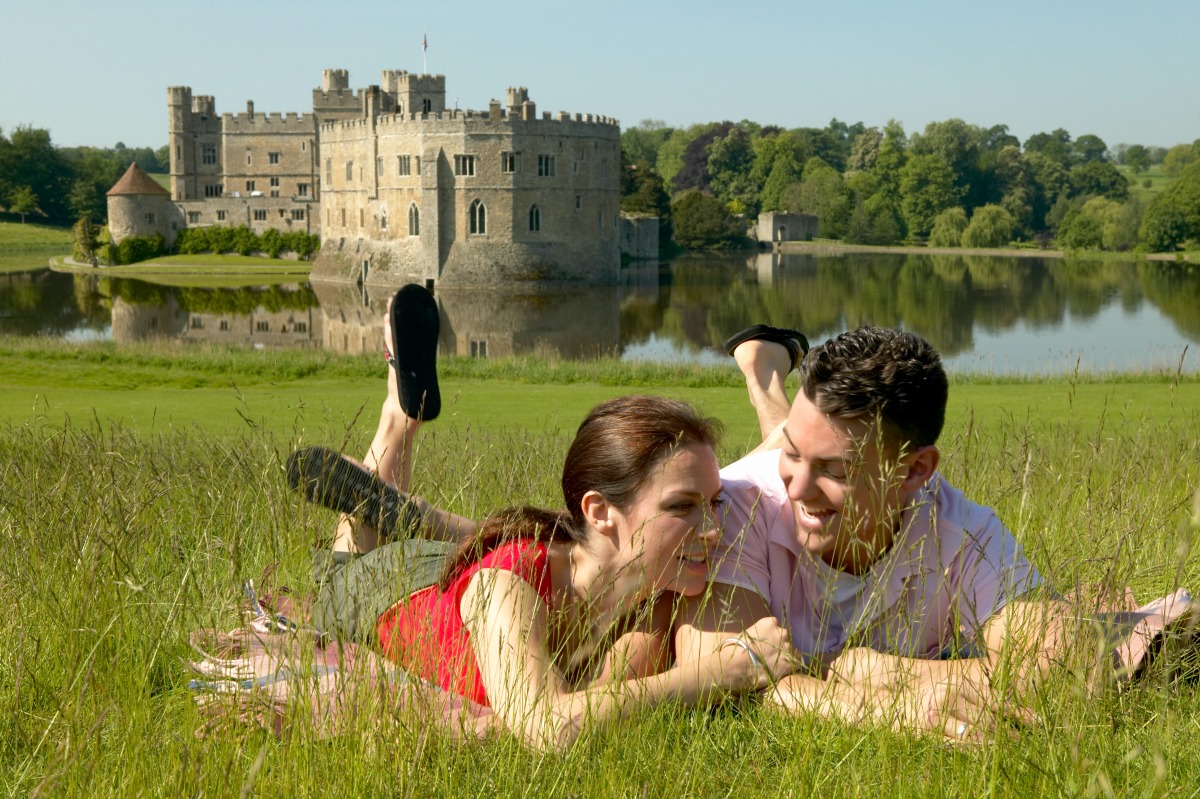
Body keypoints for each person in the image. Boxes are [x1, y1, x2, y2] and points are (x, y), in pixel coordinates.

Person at [240, 285, 792, 751]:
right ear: (600, 511)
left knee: (500, 536)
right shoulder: (504, 587)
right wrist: (726, 669)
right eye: (682, 507)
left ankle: (417, 506)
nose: (715, 531)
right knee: (350, 556)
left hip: (478, 561)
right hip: (384, 588)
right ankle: (398, 415)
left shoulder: (659, 596)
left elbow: (609, 700)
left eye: (714, 503)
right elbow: (547, 727)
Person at [674, 325, 1195, 742]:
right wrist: (877, 705)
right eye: (796, 457)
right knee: (780, 451)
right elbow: (718, 669)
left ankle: (765, 366)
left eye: (837, 470)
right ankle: (761, 368)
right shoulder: (736, 505)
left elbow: (1060, 672)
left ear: (915, 470)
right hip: (759, 474)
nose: (799, 487)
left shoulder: (958, 527)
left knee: (798, 445)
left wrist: (877, 669)